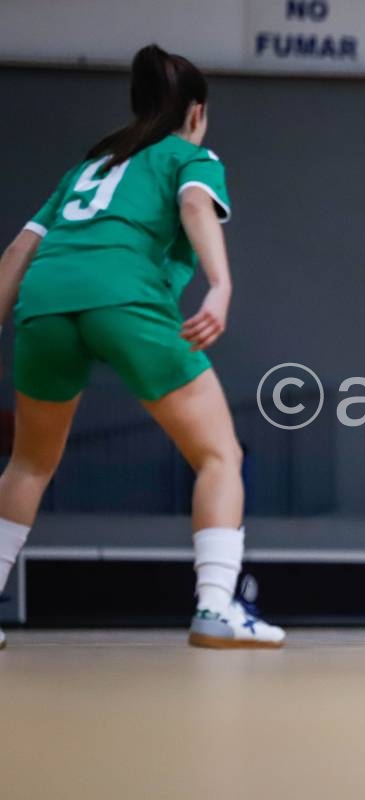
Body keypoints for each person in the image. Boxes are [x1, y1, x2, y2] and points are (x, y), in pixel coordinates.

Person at [0, 44, 284, 649]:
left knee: (28, 464)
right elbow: (194, 204)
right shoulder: (190, 156)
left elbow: (20, 250)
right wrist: (221, 285)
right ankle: (215, 607)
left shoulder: (87, 169)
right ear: (197, 111)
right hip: (124, 298)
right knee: (219, 455)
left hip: (45, 303)